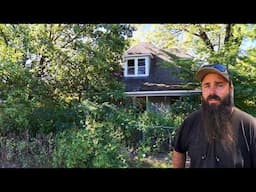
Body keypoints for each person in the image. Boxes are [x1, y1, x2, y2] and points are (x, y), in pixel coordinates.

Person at [172, 63, 256, 168]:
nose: (212, 92)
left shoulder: (250, 126)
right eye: (207, 85)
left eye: (219, 85)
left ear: (230, 88)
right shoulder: (191, 121)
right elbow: (178, 150)